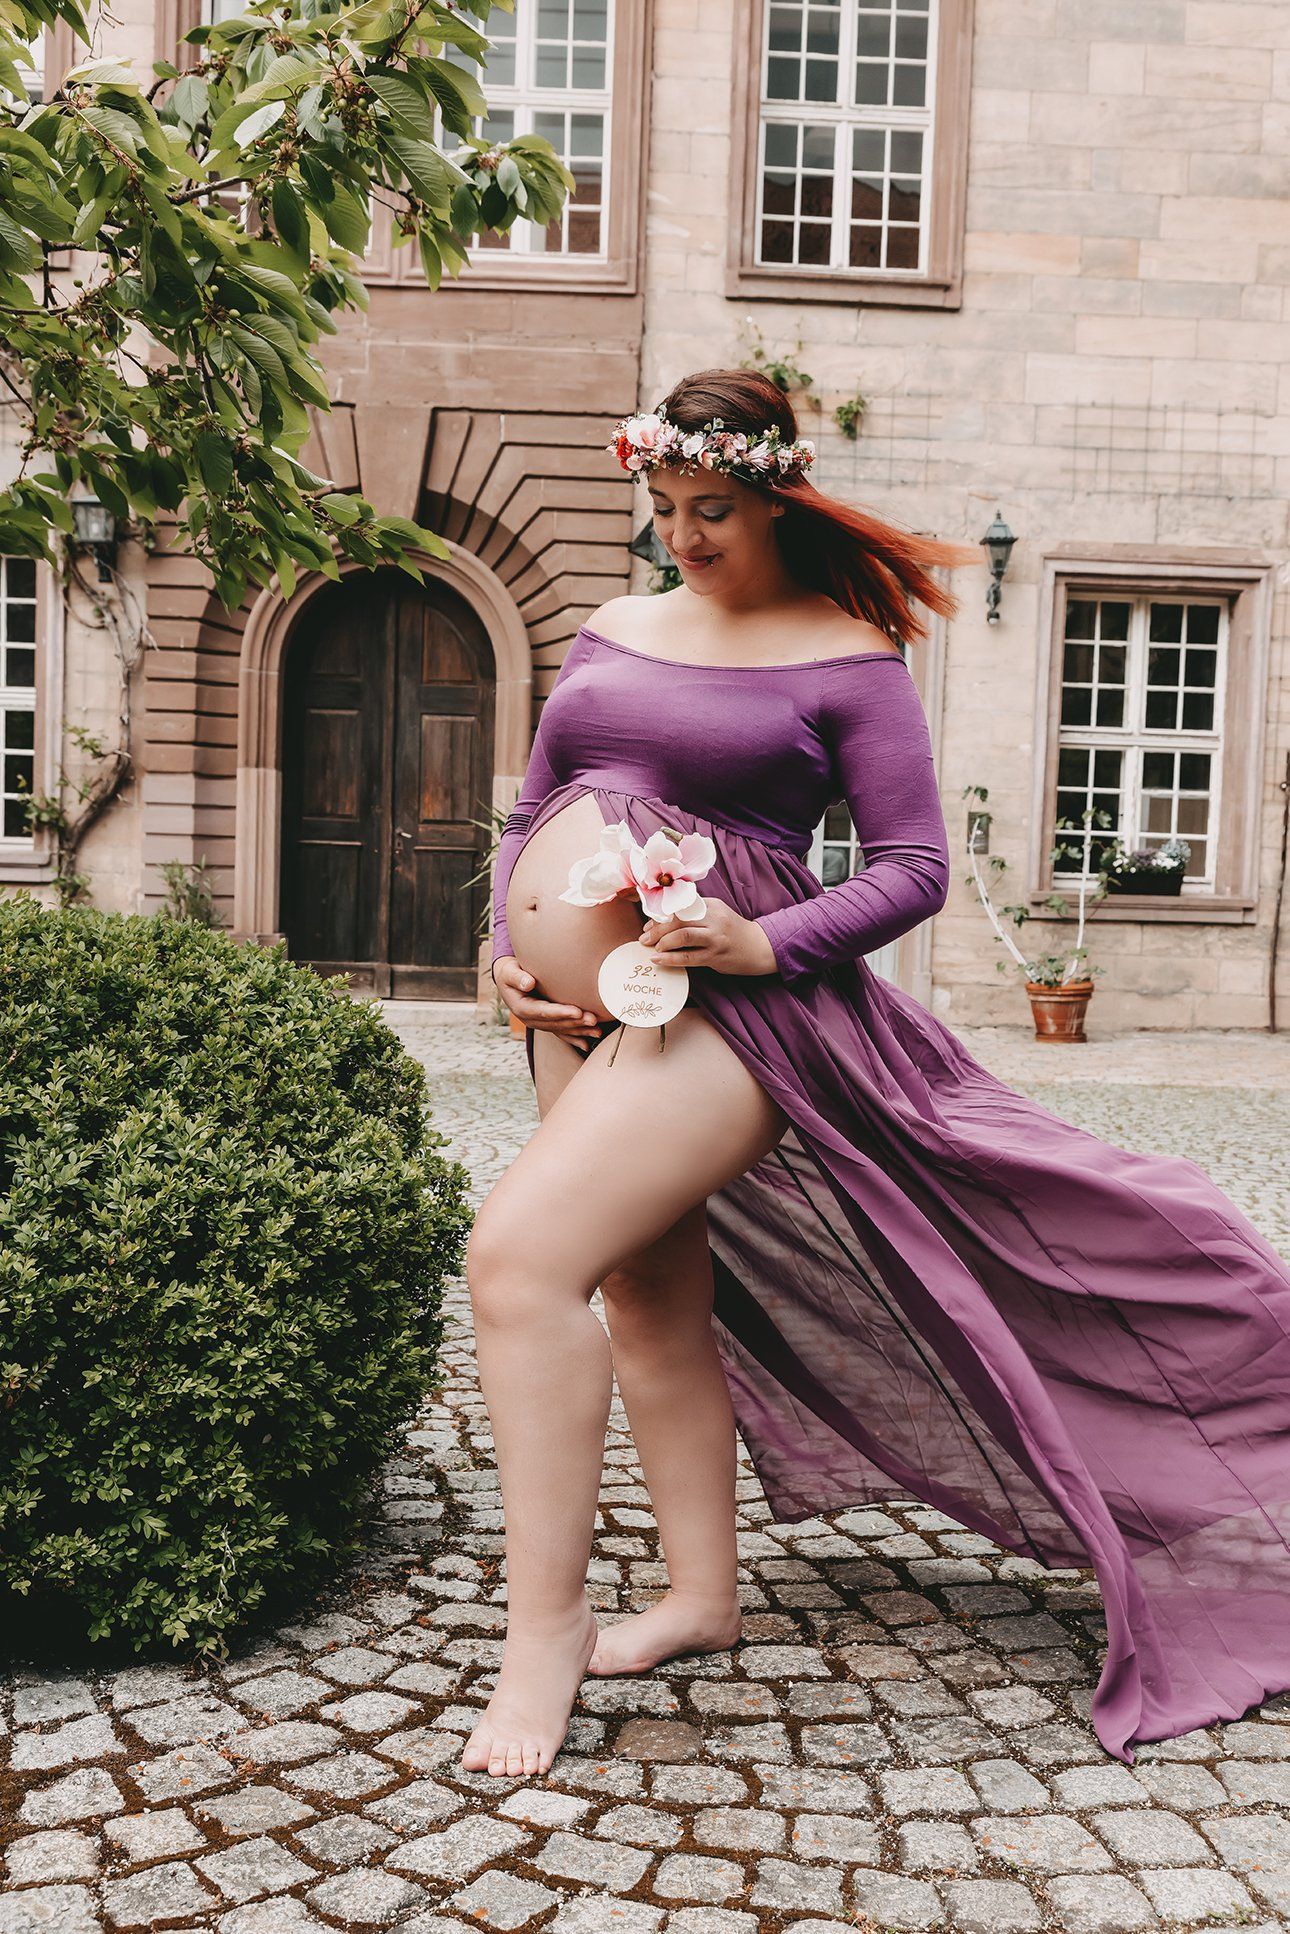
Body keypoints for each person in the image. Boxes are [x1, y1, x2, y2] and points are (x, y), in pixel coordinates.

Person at [463, 366, 1290, 1782]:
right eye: (663, 506)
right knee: (648, 1291)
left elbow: (913, 868)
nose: (682, 535)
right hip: (579, 1011)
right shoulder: (611, 624)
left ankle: (542, 1631)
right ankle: (699, 1596)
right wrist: (502, 948)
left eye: (711, 509)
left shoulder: (846, 656)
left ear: (776, 498)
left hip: (732, 1016)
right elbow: (539, 804)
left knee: (515, 1262)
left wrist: (760, 939)